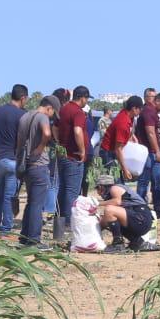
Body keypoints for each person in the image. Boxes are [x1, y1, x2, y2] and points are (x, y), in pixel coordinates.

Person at [0, 85, 27, 237]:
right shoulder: (21, 115)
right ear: (23, 98)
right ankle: (6, 230)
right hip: (11, 160)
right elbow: (22, 140)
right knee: (9, 197)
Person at [16, 94, 58, 247]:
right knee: (37, 204)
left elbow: (19, 142)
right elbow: (47, 133)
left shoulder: (25, 116)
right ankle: (34, 239)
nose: (52, 116)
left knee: (30, 202)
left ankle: (24, 236)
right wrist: (40, 147)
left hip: (26, 165)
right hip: (39, 165)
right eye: (53, 112)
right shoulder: (42, 117)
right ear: (49, 108)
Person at [54, 86, 92, 242]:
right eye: (87, 98)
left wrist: (59, 143)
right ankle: (69, 222)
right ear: (82, 97)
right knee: (72, 190)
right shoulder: (77, 112)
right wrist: (82, 150)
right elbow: (77, 131)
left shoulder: (63, 109)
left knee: (63, 189)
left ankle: (60, 220)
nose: (86, 101)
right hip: (73, 157)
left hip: (63, 155)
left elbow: (54, 127)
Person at [94, 177, 158, 252]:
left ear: (101, 187)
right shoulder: (111, 195)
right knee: (109, 219)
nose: (98, 193)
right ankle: (138, 242)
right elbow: (106, 220)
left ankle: (118, 244)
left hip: (141, 218)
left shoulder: (114, 188)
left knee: (109, 210)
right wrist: (96, 228)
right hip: (139, 220)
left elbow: (117, 202)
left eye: (97, 188)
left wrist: (97, 204)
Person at [135, 88, 160, 218]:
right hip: (148, 152)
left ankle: (158, 208)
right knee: (144, 181)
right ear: (157, 101)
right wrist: (157, 151)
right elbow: (150, 132)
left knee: (157, 181)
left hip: (152, 152)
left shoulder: (153, 111)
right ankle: (140, 208)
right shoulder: (148, 111)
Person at [102, 95, 143, 180]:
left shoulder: (127, 115)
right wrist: (125, 170)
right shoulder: (123, 122)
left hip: (113, 151)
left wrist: (133, 136)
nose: (140, 111)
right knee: (114, 182)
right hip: (108, 153)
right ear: (134, 108)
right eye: (140, 109)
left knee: (116, 183)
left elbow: (130, 129)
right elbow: (118, 149)